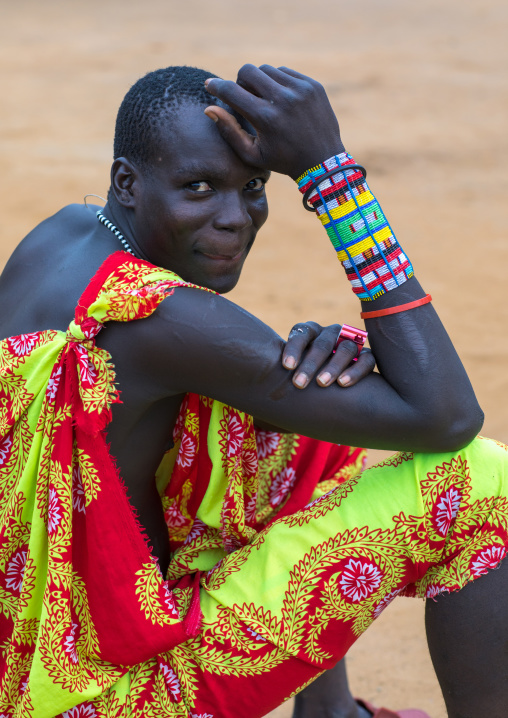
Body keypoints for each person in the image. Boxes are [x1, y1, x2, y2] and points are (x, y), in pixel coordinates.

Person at [0, 63, 507, 718]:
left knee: (283, 414)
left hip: (30, 662)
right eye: (199, 187)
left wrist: (329, 362)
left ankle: (327, 712)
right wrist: (331, 175)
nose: (234, 218)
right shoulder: (160, 317)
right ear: (127, 183)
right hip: (101, 696)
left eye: (253, 187)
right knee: (477, 482)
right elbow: (448, 417)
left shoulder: (62, 235)